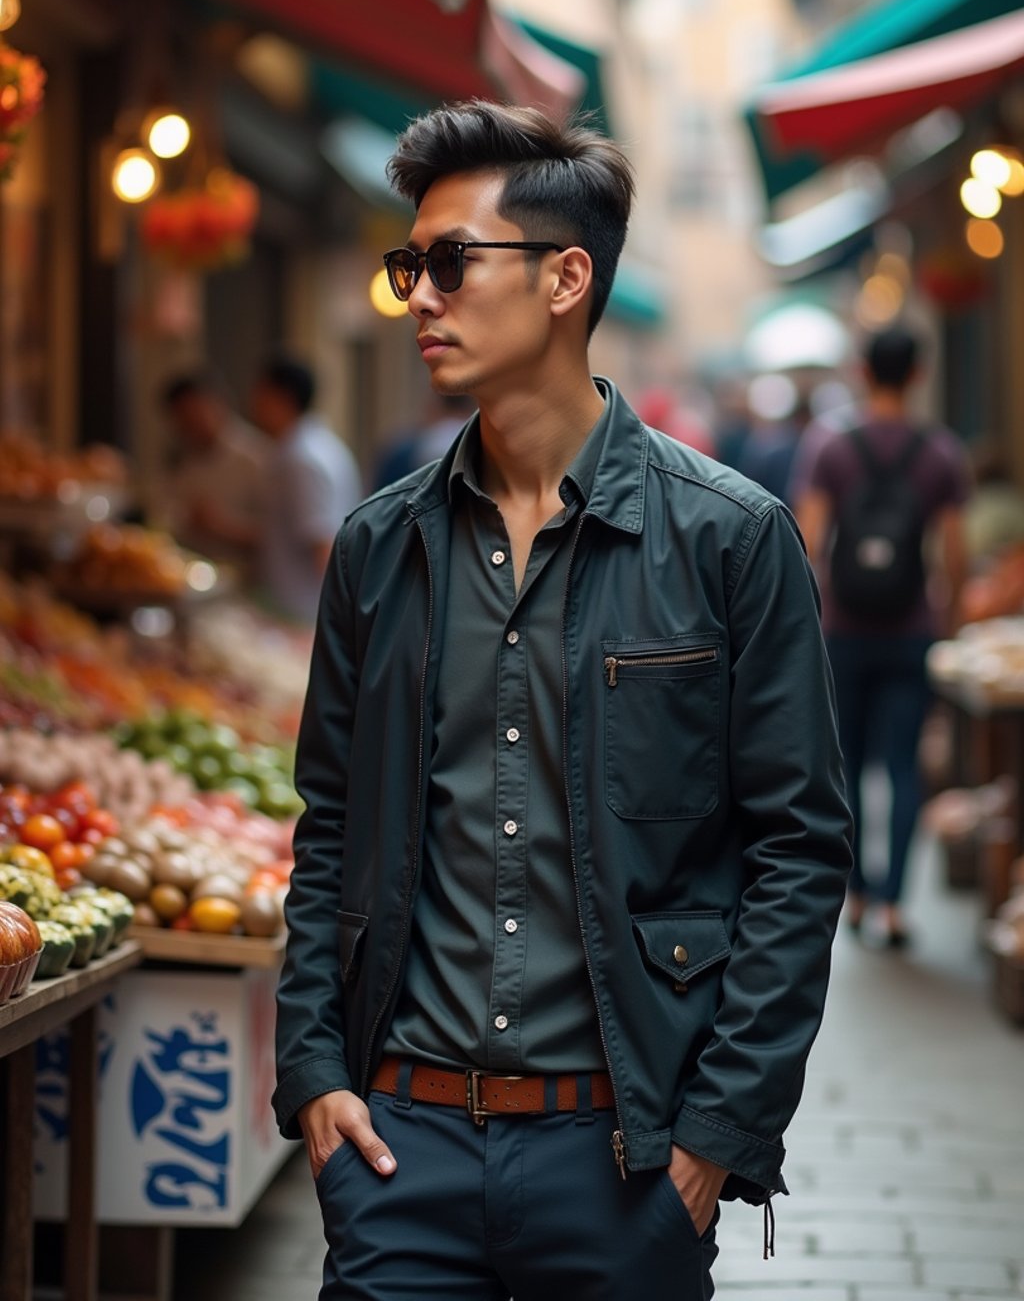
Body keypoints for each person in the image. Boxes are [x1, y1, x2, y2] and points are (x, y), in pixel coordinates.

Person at [274, 101, 851, 1300]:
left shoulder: (730, 540)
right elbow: (329, 825)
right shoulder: (377, 551)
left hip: (626, 1161)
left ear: (564, 278)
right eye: (406, 266)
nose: (417, 298)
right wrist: (315, 1074)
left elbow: (798, 850)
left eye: (447, 263)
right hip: (400, 1155)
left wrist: (714, 1140)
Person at [796, 324, 970, 947]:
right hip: (911, 629)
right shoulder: (942, 452)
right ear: (918, 374)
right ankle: (896, 904)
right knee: (902, 767)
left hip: (843, 628)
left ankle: (860, 896)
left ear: (864, 373)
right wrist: (948, 624)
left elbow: (808, 544)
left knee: (841, 767)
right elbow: (954, 555)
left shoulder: (832, 447)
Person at [250, 354, 362, 624]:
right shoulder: (316, 445)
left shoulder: (301, 457)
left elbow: (323, 547)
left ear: (280, 397)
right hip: (299, 609)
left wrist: (337, 626)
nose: (253, 401)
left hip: (303, 615)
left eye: (260, 392)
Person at [158, 370, 266, 571]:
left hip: (247, 583)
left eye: (196, 415)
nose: (191, 426)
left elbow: (278, 538)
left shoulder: (256, 458)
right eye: (183, 421)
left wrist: (221, 526)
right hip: (190, 573)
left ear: (218, 404)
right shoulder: (179, 459)